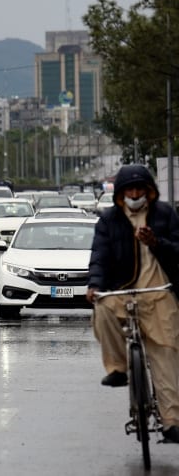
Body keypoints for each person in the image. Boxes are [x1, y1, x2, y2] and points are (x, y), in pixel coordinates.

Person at [86, 164, 179, 443]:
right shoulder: (108, 221)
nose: (135, 194)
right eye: (130, 189)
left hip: (159, 293)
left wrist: (156, 242)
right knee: (102, 310)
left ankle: (172, 421)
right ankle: (117, 369)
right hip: (121, 291)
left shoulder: (166, 215)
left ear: (149, 191)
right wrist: (95, 286)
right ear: (121, 193)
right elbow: (99, 257)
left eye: (140, 189)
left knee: (166, 355)